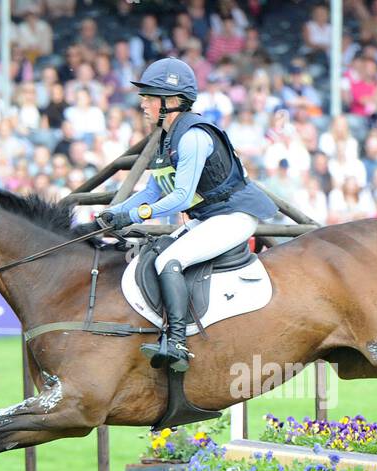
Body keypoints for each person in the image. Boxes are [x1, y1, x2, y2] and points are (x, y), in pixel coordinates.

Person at [96, 57, 278, 373]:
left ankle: (178, 342)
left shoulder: (193, 136)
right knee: (154, 254)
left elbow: (179, 197)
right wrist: (113, 213)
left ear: (172, 101)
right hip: (209, 217)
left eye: (150, 96)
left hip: (233, 216)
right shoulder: (167, 139)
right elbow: (152, 192)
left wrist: (135, 216)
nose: (143, 103)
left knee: (169, 261)